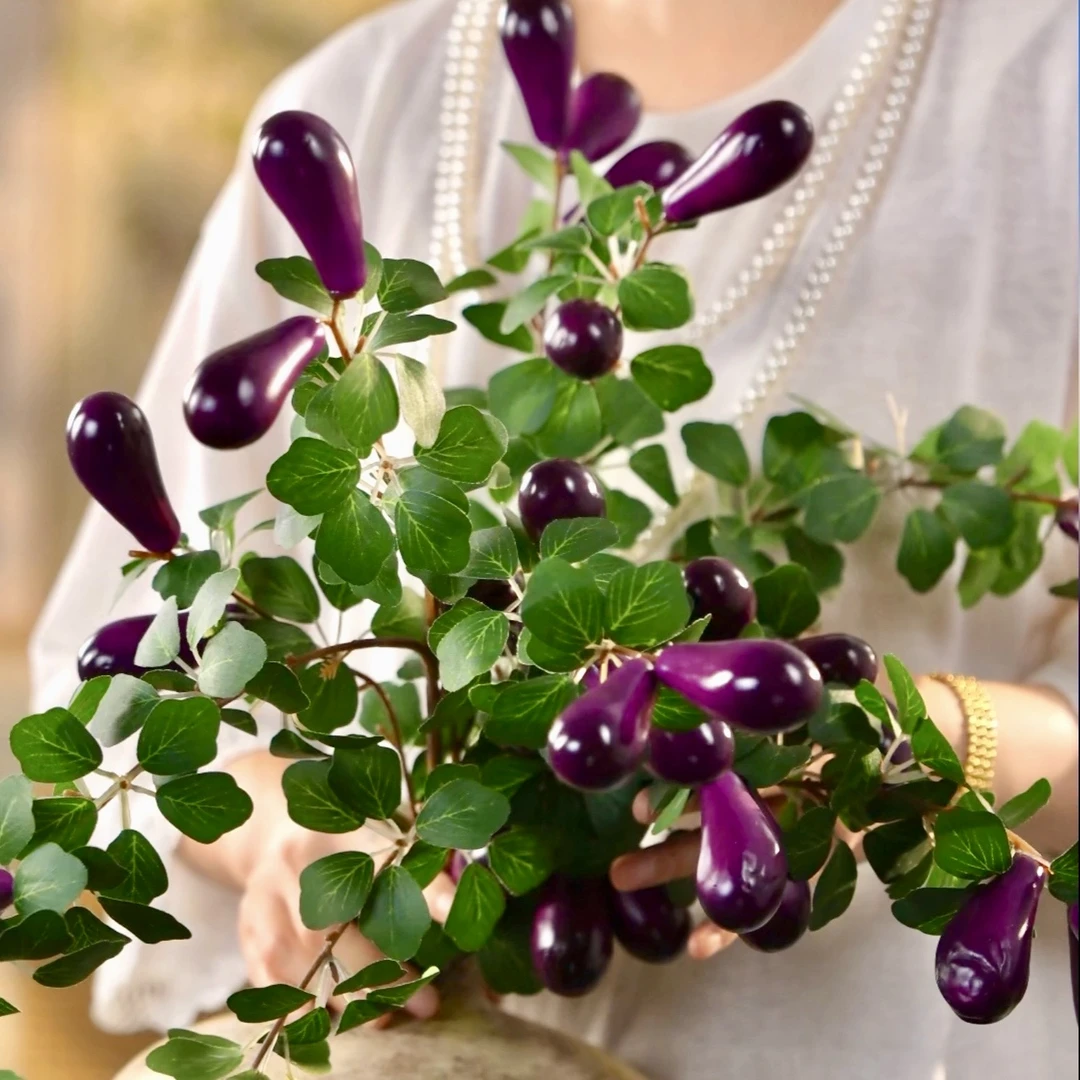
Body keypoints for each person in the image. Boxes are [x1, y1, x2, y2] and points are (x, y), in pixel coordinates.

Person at [29, 0, 1079, 1077]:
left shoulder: (1048, 92)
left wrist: (899, 743)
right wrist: (286, 835)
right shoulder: (360, 101)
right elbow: (112, 685)